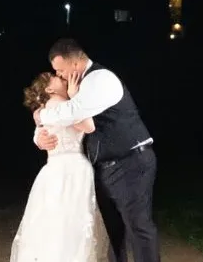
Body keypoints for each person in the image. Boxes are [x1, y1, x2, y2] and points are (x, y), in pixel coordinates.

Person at [33, 38, 160, 262]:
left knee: (138, 226)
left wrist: (39, 116)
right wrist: (39, 136)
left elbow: (75, 112)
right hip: (101, 168)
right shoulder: (74, 90)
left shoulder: (100, 79)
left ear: (74, 63)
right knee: (112, 231)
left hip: (130, 161)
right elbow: (66, 120)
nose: (60, 75)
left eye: (60, 70)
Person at [10, 72, 109, 262]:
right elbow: (89, 126)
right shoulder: (60, 104)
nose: (61, 77)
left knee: (55, 224)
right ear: (49, 89)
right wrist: (75, 97)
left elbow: (41, 123)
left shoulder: (46, 109)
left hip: (55, 169)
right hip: (70, 169)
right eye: (55, 77)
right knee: (70, 225)